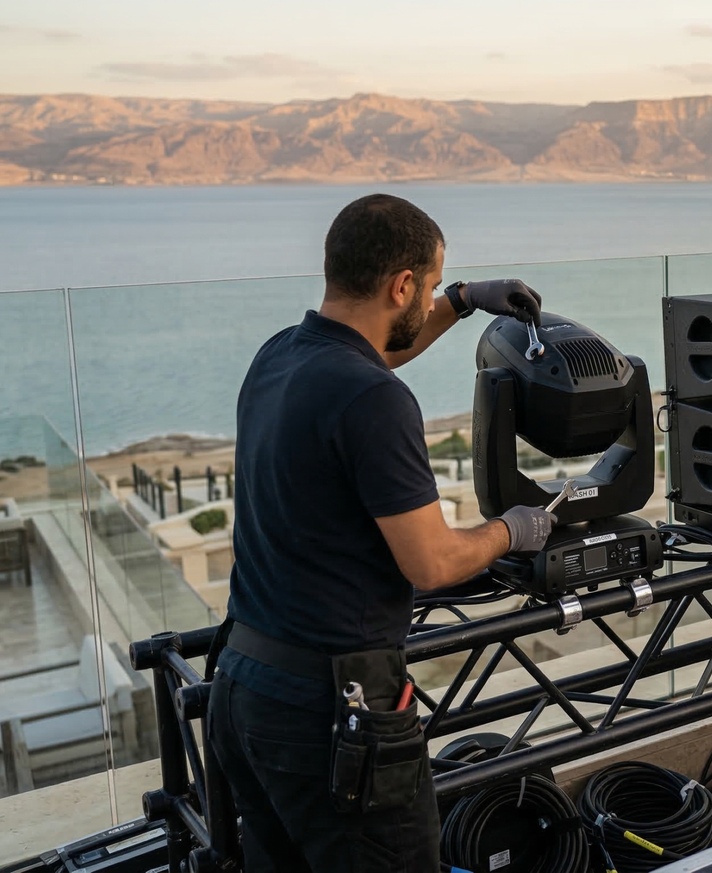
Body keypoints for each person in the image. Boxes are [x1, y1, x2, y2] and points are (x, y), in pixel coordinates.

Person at [208, 193, 558, 871]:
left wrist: (461, 298)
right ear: (400, 284)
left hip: (243, 687)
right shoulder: (375, 398)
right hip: (335, 710)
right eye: (424, 289)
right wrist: (513, 530)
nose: (426, 302)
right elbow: (430, 562)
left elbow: (372, 360)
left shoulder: (280, 356)